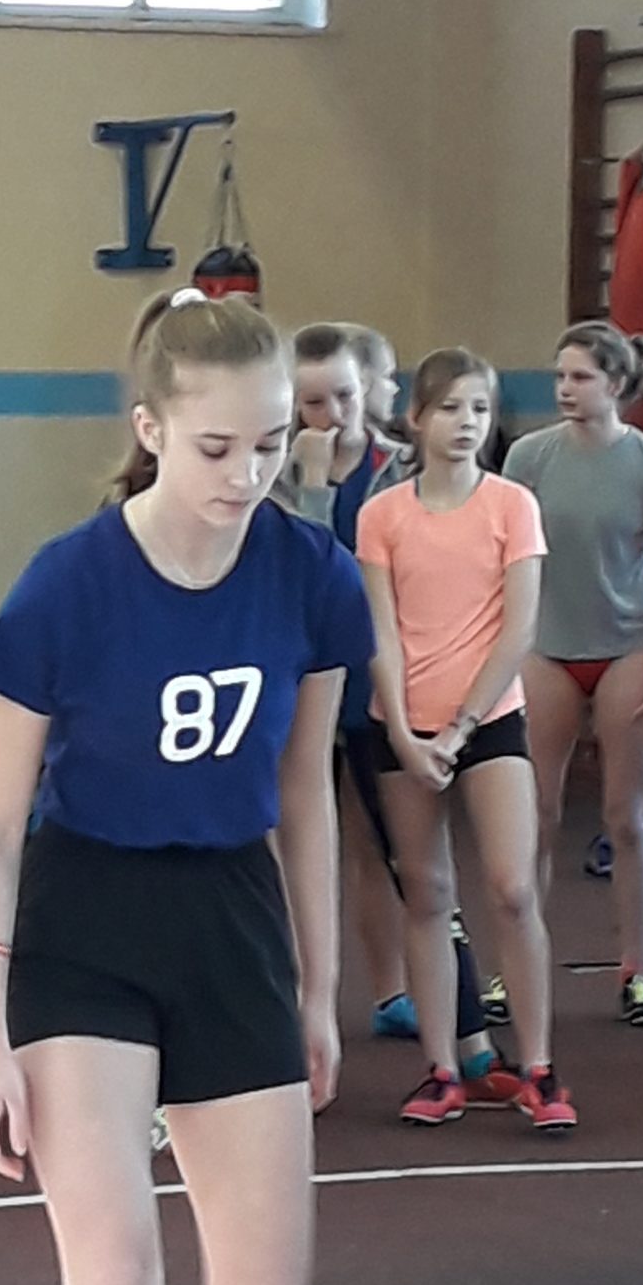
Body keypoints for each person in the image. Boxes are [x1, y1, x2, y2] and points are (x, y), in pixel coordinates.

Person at [0, 292, 370, 1285]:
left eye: (271, 444)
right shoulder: (66, 588)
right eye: (214, 448)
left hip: (230, 920)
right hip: (84, 928)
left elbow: (308, 793)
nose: (246, 474)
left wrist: (316, 983)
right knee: (118, 1284)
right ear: (148, 431)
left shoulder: (314, 577)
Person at [359, 350, 572, 1132]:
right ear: (416, 418)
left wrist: (459, 727)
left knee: (513, 888)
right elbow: (380, 631)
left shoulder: (513, 505)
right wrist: (404, 732)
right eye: (449, 408)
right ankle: (442, 1069)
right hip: (403, 728)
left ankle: (540, 1068)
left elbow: (518, 629)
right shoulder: (382, 515)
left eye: (479, 410)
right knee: (426, 893)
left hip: (488, 721)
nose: (466, 424)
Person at [503, 323, 643, 1026]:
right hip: (547, 647)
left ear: (615, 385)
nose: (565, 388)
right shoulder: (529, 457)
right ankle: (512, 968)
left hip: (627, 648)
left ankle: (636, 973)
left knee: (626, 817)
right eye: (561, 376)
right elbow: (504, 559)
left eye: (580, 377)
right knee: (536, 815)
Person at [283, 322, 413, 1037]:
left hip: (374, 674)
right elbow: (305, 569)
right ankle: (300, 992)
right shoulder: (277, 471)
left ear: (366, 389)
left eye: (344, 396)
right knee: (295, 837)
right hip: (301, 676)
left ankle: (393, 991)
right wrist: (311, 484)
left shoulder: (401, 468)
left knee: (378, 839)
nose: (333, 415)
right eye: (314, 403)